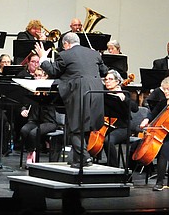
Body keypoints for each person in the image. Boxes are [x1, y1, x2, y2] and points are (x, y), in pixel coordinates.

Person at [37, 32, 106, 168]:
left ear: (66, 44)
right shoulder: (94, 54)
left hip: (79, 93)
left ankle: (84, 158)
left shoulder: (65, 54)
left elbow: (53, 71)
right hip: (97, 92)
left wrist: (43, 58)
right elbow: (104, 71)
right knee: (88, 126)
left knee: (75, 127)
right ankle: (76, 158)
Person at [100, 69, 136, 166]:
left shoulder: (124, 93)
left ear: (117, 82)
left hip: (123, 127)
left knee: (108, 141)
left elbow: (135, 108)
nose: (107, 81)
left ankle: (114, 167)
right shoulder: (103, 93)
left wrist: (124, 98)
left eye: (110, 79)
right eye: (106, 79)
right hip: (107, 125)